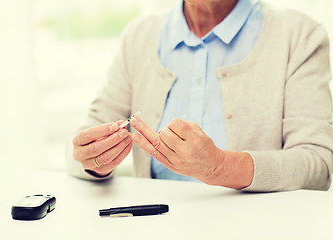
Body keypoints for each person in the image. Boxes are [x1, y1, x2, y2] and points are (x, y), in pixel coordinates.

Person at [66, 0, 333, 192]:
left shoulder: (299, 35)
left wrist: (220, 166)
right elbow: (81, 144)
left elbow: (318, 165)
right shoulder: (139, 35)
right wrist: (93, 161)